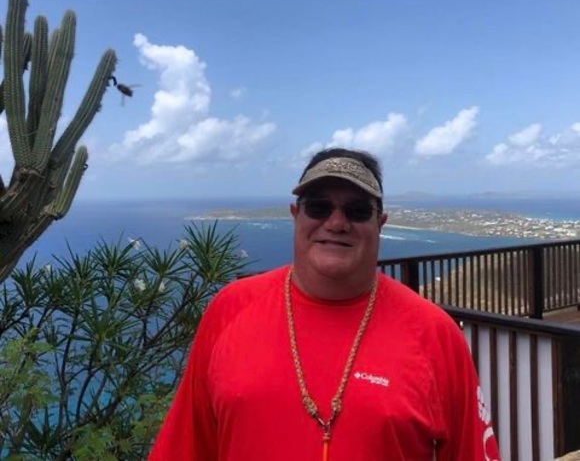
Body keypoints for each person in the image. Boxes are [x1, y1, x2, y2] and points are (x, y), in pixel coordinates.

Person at [149, 148, 501, 460]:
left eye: (357, 211)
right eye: (318, 207)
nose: (336, 223)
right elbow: (186, 445)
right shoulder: (230, 309)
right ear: (295, 215)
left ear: (380, 224)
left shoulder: (434, 333)